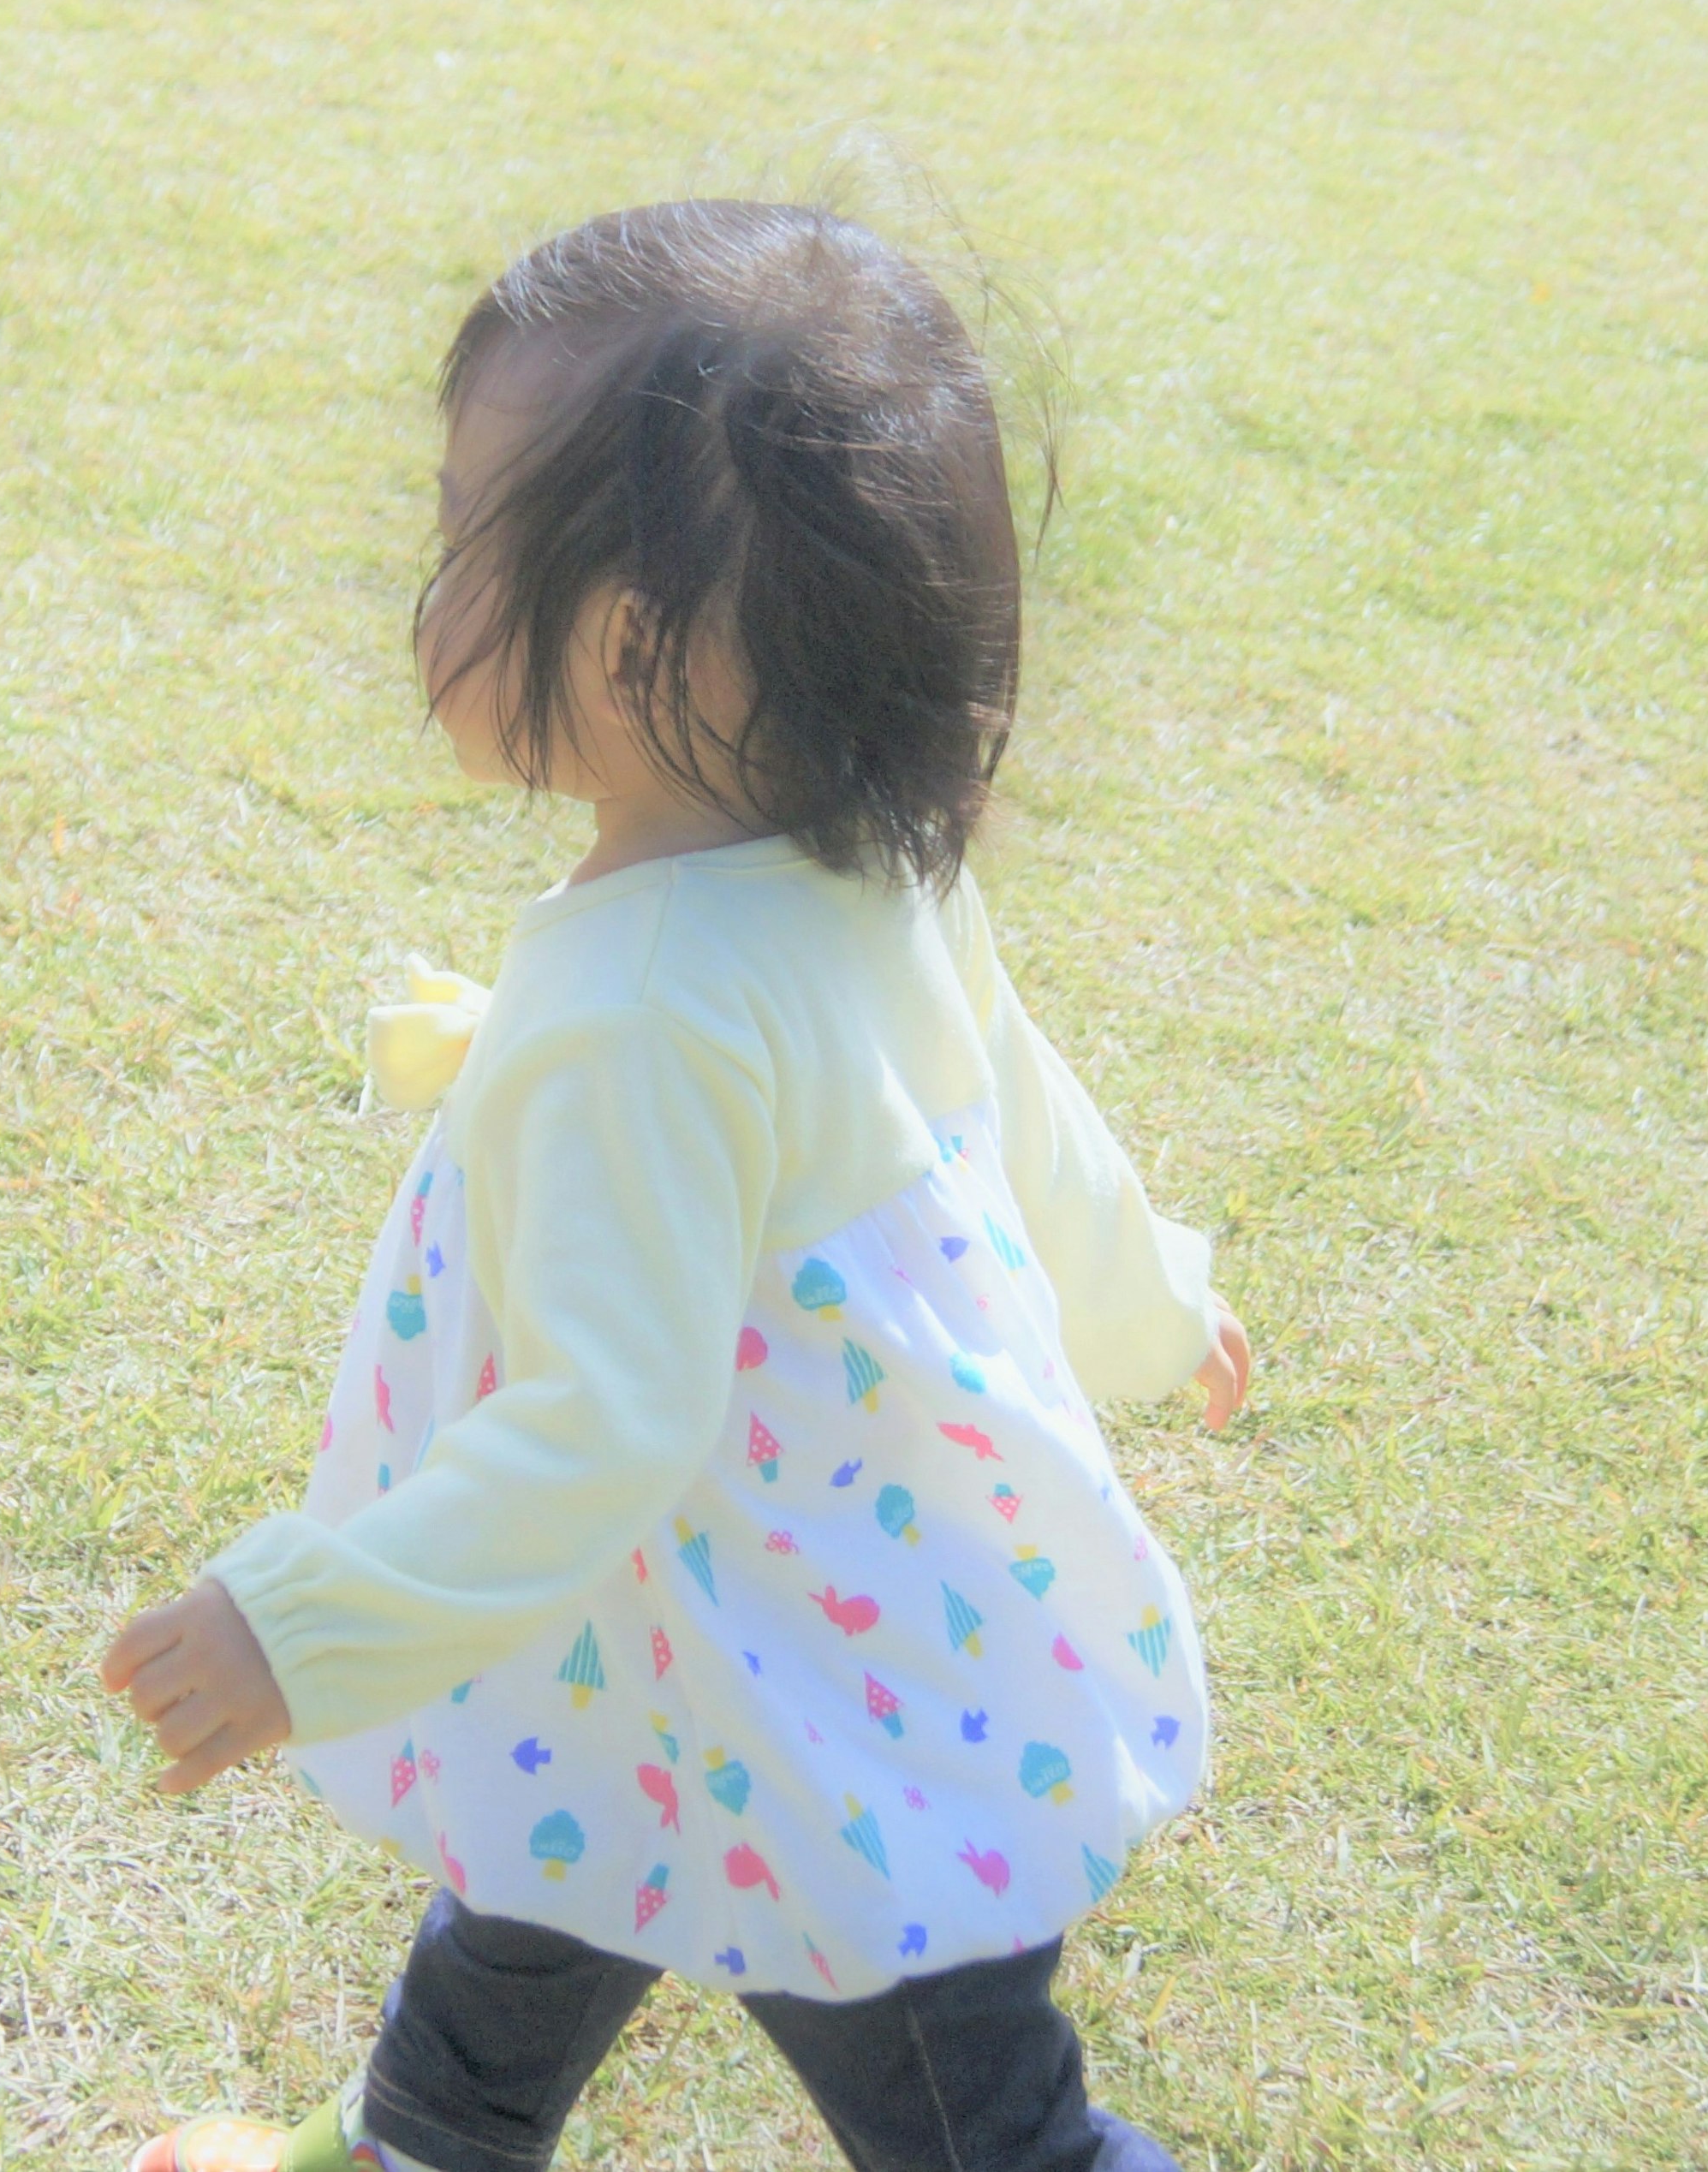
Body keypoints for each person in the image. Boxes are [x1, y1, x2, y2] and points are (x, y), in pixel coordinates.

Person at [100, 199, 1253, 2172]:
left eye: (468, 538)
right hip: (685, 1622)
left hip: (800, 1674)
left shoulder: (639, 1007)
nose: (432, 585)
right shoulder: (866, 863)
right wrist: (1149, 1294)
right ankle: (419, 2143)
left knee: (965, 2102)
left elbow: (598, 1433)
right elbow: (1023, 1117)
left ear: (631, 648)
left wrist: (304, 1624)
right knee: (552, 1846)